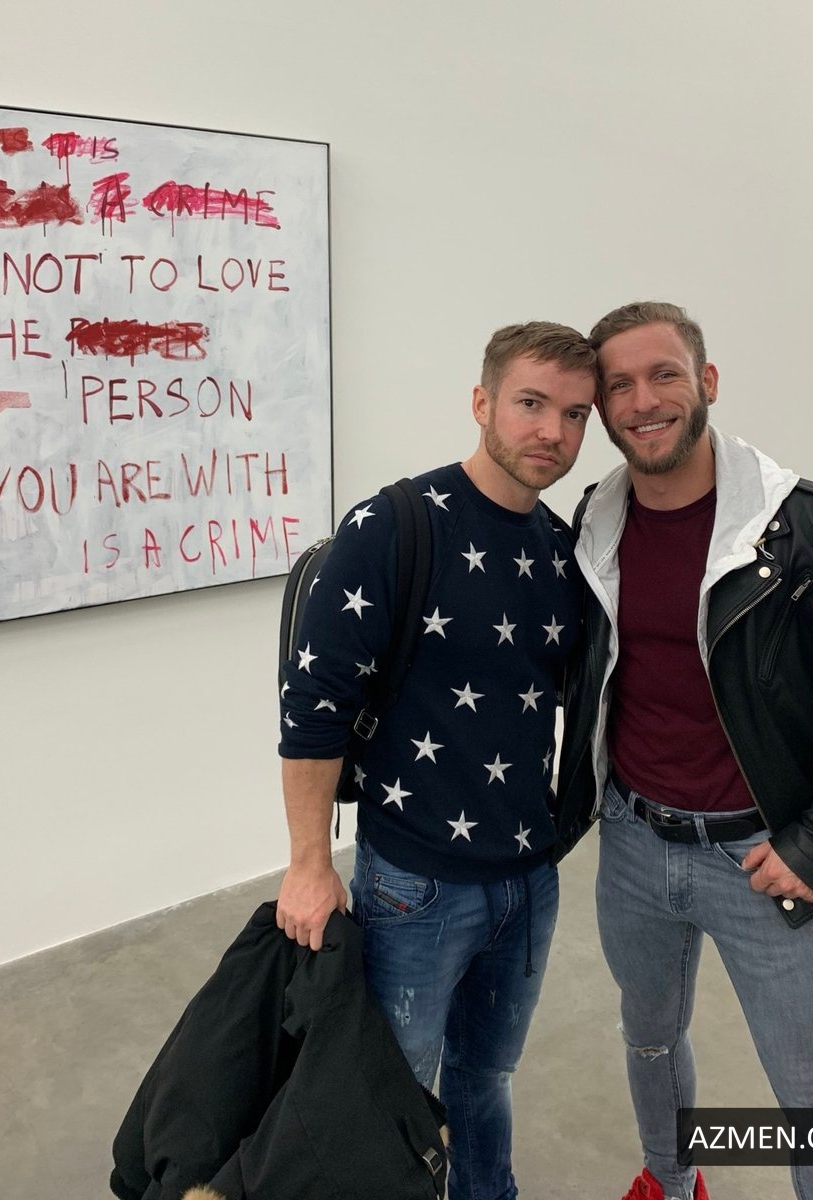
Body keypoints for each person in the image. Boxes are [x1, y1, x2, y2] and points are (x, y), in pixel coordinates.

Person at [563, 300, 813, 1200]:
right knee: (650, 1040)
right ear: (603, 409)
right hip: (634, 842)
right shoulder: (595, 519)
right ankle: (671, 1179)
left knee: (808, 1089)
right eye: (619, 386)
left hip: (759, 852)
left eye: (665, 375)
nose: (644, 402)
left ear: (708, 382)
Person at [276, 321, 597, 1200]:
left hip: (527, 881)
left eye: (575, 414)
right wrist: (308, 862)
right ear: (482, 402)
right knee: (387, 1096)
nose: (553, 432)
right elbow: (314, 706)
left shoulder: (562, 551)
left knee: (486, 1079)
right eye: (531, 403)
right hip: (412, 885)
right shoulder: (394, 524)